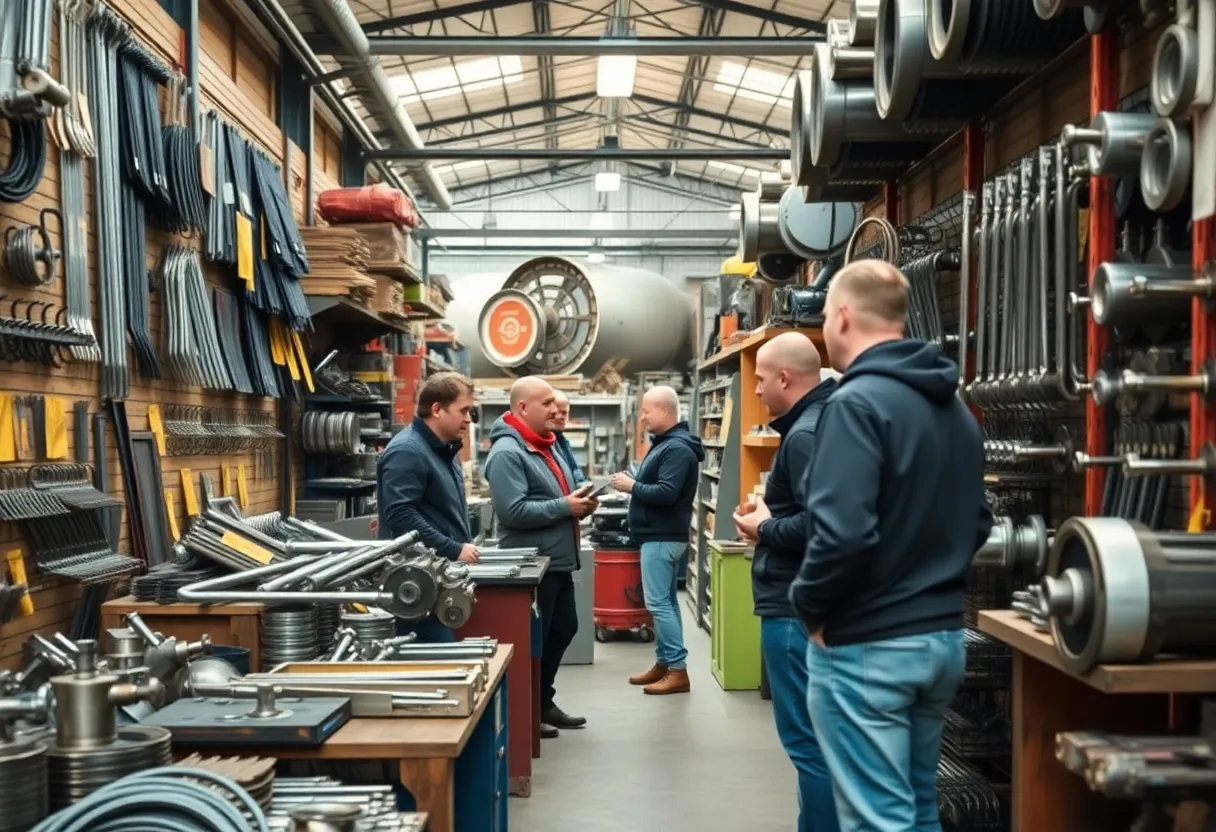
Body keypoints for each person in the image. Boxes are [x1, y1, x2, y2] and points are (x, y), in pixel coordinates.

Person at [789, 259, 993, 832]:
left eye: (827, 314)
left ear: (845, 316)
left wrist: (811, 607)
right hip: (942, 640)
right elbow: (977, 522)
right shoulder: (955, 411)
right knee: (917, 810)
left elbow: (842, 533)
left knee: (881, 821)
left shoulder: (855, 404)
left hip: (867, 644)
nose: (826, 326)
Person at [732, 332, 839, 832]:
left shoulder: (806, 433)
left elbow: (824, 525)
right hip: (801, 602)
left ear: (783, 377)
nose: (754, 390)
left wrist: (765, 527)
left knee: (808, 745)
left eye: (758, 378)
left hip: (795, 609)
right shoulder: (820, 422)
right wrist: (770, 515)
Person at [484, 375, 599, 736]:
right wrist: (566, 506)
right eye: (547, 403)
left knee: (564, 628)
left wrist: (580, 505)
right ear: (522, 408)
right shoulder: (508, 453)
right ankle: (528, 710)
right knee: (536, 638)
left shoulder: (546, 445)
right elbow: (512, 512)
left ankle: (541, 702)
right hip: (531, 564)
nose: (555, 409)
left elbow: (559, 496)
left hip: (556, 561)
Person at [612, 385, 703, 696]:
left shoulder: (676, 448)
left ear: (665, 410)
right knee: (665, 603)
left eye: (647, 411)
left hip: (662, 537)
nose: (643, 417)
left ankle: (677, 669)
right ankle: (665, 664)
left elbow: (666, 493)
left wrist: (631, 486)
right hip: (658, 536)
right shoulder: (667, 444)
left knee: (658, 604)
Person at [377, 372, 479, 644]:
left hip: (440, 580)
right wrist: (453, 548)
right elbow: (400, 516)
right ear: (437, 409)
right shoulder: (407, 451)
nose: (469, 419)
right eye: (464, 410)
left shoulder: (445, 450)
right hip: (416, 587)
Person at [551, 390, 587, 486]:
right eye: (558, 412)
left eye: (565, 413)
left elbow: (577, 475)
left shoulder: (562, 442)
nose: (562, 417)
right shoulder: (543, 445)